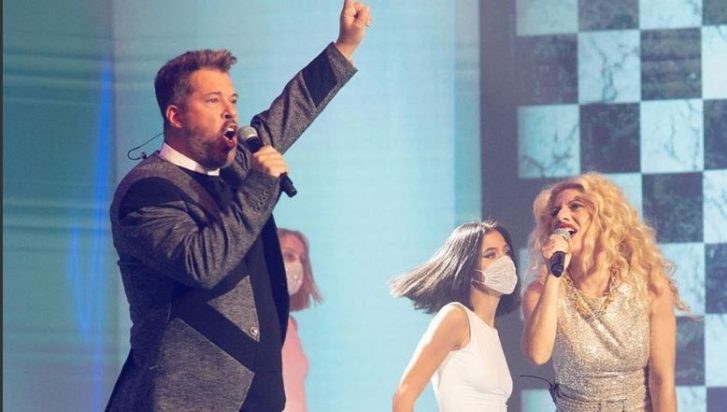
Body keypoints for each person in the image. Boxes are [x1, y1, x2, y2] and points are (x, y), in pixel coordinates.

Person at [105, 1, 371, 410]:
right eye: (213, 101)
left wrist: (344, 46)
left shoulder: (233, 170)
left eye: (232, 99)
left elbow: (287, 114)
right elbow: (202, 263)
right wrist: (261, 185)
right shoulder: (147, 191)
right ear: (176, 116)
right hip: (188, 400)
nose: (230, 111)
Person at [521, 172, 687, 412]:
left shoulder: (649, 286)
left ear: (604, 218)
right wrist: (554, 276)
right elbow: (537, 354)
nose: (562, 216)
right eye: (555, 212)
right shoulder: (541, 292)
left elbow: (662, 381)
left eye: (575, 206)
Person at [390, 221, 521, 412]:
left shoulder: (489, 331)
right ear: (469, 269)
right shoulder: (455, 317)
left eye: (506, 252)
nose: (504, 261)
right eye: (490, 255)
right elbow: (404, 394)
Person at [277, 228, 323, 412]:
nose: (297, 265)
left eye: (302, 259)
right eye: (289, 256)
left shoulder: (291, 325)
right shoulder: (256, 322)